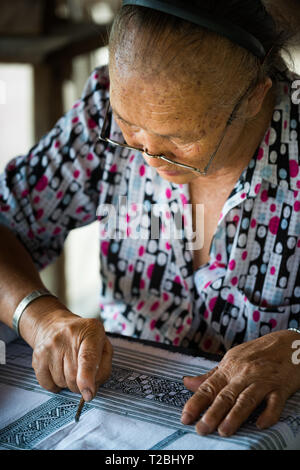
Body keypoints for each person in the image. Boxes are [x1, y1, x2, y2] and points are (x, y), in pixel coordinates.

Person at [0, 0, 299, 438]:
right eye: (127, 126)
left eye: (180, 138)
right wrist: (36, 313)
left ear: (256, 96)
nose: (149, 155)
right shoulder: (100, 109)